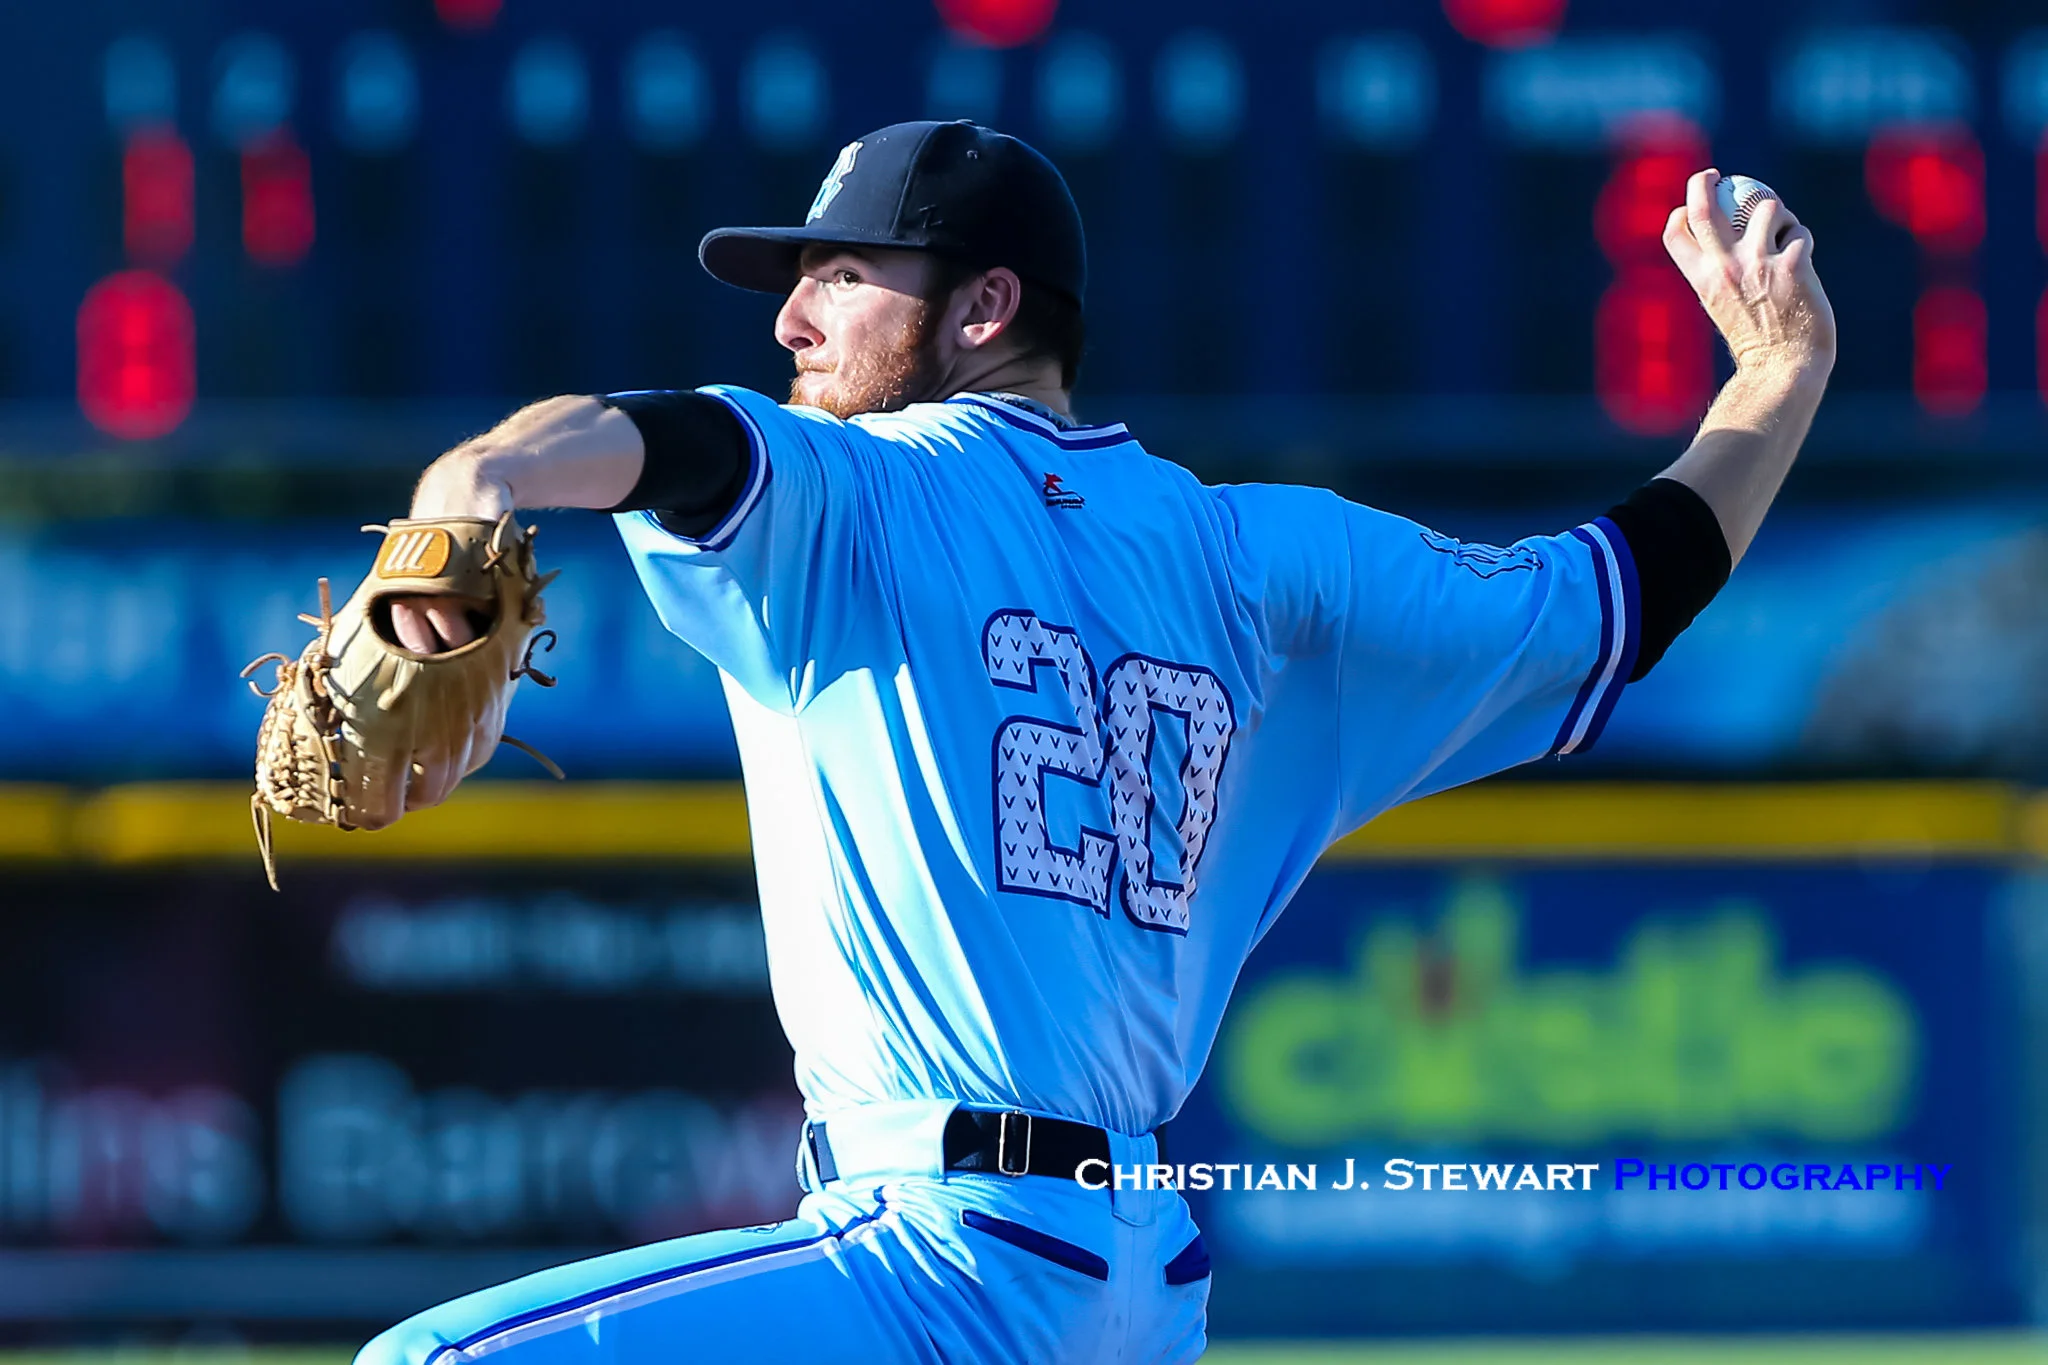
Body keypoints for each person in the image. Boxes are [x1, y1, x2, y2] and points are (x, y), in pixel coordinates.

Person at [358, 120, 1835, 1365]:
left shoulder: (857, 490)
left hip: (943, 1258)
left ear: (985, 307)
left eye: (843, 277)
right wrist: (1775, 377)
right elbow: (1610, 600)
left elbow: (671, 442)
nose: (791, 321)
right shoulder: (1263, 556)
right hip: (1141, 1281)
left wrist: (480, 472)